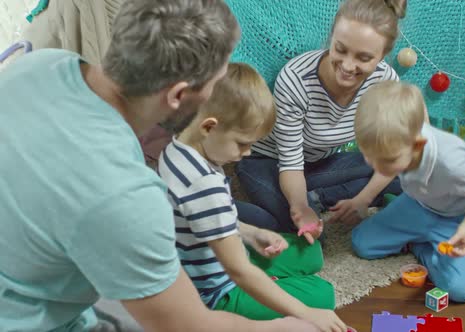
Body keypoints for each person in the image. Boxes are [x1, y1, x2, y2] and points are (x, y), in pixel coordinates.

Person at [0, 0, 318, 331]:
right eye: (216, 82)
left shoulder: (42, 64)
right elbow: (190, 326)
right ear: (179, 94)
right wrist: (295, 324)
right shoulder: (126, 197)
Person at [158, 63, 347, 332]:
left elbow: (206, 221)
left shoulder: (176, 148)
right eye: (242, 143)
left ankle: (270, 276)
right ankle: (271, 285)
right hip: (216, 294)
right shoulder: (203, 184)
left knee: (312, 253)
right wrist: (307, 313)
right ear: (209, 127)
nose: (247, 153)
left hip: (219, 252)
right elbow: (239, 271)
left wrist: (250, 233)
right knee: (322, 295)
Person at [235, 0, 409, 242]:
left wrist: (363, 200)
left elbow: (392, 154)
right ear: (332, 37)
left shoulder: (385, 81)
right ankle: (316, 197)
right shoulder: (296, 79)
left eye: (364, 58)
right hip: (269, 162)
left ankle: (319, 194)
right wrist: (300, 208)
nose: (348, 66)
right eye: (340, 49)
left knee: (408, 175)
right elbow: (291, 163)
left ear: (383, 55)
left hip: (319, 164)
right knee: (305, 233)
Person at [351, 81, 465, 302]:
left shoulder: (452, 161)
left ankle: (422, 241)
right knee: (361, 243)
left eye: (388, 160)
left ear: (418, 146)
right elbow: (389, 159)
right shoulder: (394, 143)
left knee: (459, 290)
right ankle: (419, 239)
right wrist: (362, 198)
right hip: (419, 204)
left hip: (459, 217)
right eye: (369, 156)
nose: (377, 166)